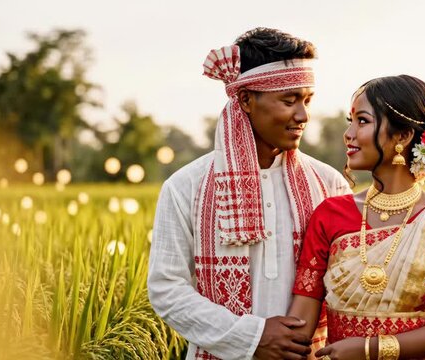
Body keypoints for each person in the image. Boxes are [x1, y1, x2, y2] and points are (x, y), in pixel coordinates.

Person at [148, 27, 350, 360]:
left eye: (307, 100)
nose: (303, 116)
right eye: (289, 100)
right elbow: (166, 289)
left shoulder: (328, 185)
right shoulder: (186, 187)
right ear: (245, 99)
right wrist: (252, 337)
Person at [288, 75, 425, 359]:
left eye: (363, 121)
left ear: (403, 136)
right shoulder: (330, 215)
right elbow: (301, 325)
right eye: (350, 120)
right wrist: (248, 336)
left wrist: (372, 349)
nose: (349, 133)